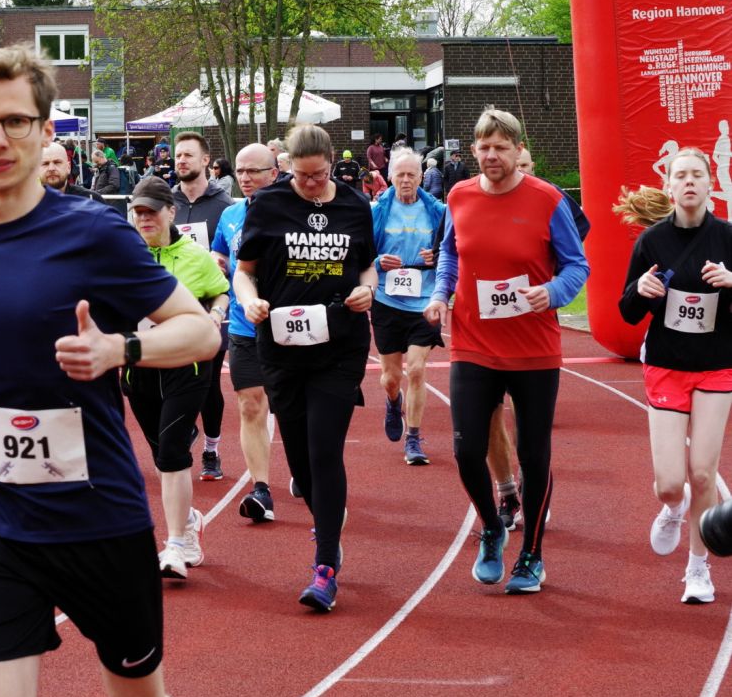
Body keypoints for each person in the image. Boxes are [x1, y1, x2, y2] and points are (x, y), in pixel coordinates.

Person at [0, 44, 211, 697]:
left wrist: (120, 350)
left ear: (46, 130)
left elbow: (200, 331)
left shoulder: (91, 233)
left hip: (98, 519)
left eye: (15, 122)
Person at [424, 108, 588, 595]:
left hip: (533, 348)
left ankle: (531, 555)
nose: (491, 155)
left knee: (533, 455)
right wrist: (440, 293)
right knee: (465, 449)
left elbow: (577, 264)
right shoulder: (458, 195)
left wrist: (553, 292)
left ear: (519, 150)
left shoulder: (547, 199)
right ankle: (493, 528)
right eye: (484, 147)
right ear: (473, 150)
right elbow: (451, 251)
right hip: (474, 342)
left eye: (500, 147)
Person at [233, 124, 377, 612]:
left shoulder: (355, 205)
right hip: (282, 347)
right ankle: (328, 523)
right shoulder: (268, 205)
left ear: (332, 163)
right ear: (287, 168)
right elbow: (244, 272)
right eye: (301, 176)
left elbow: (366, 265)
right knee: (298, 459)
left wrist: (367, 289)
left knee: (324, 449)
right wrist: (249, 301)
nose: (311, 185)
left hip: (339, 346)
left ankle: (325, 566)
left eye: (318, 175)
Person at [616, 150, 732, 603]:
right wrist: (641, 291)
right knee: (670, 482)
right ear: (668, 186)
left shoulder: (727, 237)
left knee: (703, 473)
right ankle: (673, 506)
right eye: (680, 175)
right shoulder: (652, 241)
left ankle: (698, 568)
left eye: (696, 175)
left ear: (709, 183)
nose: (688, 182)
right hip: (667, 365)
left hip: (717, 365)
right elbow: (627, 312)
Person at [124, 176, 230, 578]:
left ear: (171, 212)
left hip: (187, 369)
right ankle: (187, 520)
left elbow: (221, 291)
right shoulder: (123, 255)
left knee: (172, 453)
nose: (144, 219)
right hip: (139, 368)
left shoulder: (195, 256)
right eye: (138, 212)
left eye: (152, 211)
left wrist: (215, 314)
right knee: (160, 455)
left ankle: (175, 544)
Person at [487, 145, 591, 528]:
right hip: (486, 324)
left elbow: (579, 238)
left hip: (533, 316)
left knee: (528, 424)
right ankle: (506, 490)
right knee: (486, 418)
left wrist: (550, 271)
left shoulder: (550, 198)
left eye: (527, 165)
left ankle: (533, 487)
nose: (523, 171)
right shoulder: (478, 194)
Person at [209, 143, 280, 515]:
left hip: (288, 326)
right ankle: (261, 489)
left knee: (292, 408)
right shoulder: (231, 214)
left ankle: (303, 466)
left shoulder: (291, 213)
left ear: (274, 173)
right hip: (243, 325)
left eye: (254, 171)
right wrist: (217, 262)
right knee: (251, 404)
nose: (246, 178)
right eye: (240, 171)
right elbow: (220, 252)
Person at [370, 150, 447, 467]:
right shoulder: (378, 210)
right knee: (390, 377)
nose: (405, 180)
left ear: (421, 177)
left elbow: (451, 250)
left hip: (424, 299)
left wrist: (437, 256)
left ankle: (413, 438)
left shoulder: (437, 211)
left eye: (411, 175)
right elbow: (361, 254)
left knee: (416, 369)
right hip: (387, 299)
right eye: (400, 175)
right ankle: (393, 400)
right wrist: (378, 262)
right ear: (390, 177)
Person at [171, 131, 234, 494]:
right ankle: (184, 430)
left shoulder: (224, 205)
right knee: (173, 380)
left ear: (206, 161)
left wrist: (222, 263)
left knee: (208, 383)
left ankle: (211, 449)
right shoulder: (168, 203)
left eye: (188, 155)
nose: (181, 160)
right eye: (178, 155)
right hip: (171, 307)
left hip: (212, 306)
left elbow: (236, 251)